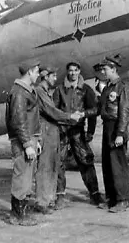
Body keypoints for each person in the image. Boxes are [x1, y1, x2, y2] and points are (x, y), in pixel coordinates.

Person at [53, 61, 104, 209]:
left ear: (79, 72)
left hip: (78, 132)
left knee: (86, 162)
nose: (73, 73)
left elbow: (94, 111)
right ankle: (60, 196)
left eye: (75, 70)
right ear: (67, 72)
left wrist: (90, 132)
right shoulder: (59, 90)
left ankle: (95, 194)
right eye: (70, 70)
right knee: (59, 163)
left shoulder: (86, 90)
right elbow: (54, 111)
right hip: (62, 132)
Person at [34, 65, 82, 214]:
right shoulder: (40, 92)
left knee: (51, 168)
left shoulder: (46, 92)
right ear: (45, 76)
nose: (56, 78)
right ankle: (41, 203)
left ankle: (47, 200)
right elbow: (52, 112)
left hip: (51, 135)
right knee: (45, 169)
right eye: (53, 76)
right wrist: (70, 117)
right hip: (46, 134)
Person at [6, 59, 42, 226]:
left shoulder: (26, 91)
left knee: (27, 177)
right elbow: (18, 121)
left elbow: (30, 119)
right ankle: (17, 215)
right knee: (22, 176)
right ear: (29, 72)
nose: (38, 74)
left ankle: (22, 213)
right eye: (36, 71)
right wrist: (28, 144)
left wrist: (36, 140)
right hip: (23, 141)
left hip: (29, 138)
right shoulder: (19, 93)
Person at [96, 56, 129, 213]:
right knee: (107, 165)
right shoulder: (106, 89)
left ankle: (122, 200)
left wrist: (120, 133)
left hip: (117, 128)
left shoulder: (123, 87)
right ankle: (111, 199)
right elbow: (100, 109)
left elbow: (125, 112)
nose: (103, 72)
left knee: (118, 166)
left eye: (105, 69)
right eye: (102, 69)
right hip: (107, 128)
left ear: (113, 69)